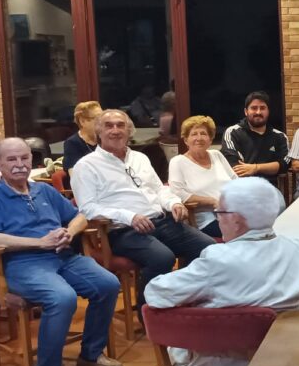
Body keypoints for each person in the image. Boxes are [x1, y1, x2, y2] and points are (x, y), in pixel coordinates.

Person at [0, 137, 123, 366]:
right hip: (21, 263)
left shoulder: (44, 190)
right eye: (12, 159)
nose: (20, 164)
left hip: (63, 256)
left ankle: (90, 354)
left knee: (108, 284)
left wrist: (69, 232)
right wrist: (39, 242)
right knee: (62, 297)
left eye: (24, 158)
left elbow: (81, 215)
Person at [144, 177, 299, 366]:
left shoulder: (217, 260)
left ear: (236, 219)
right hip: (288, 360)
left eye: (219, 213)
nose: (218, 219)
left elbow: (155, 293)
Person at [70, 109, 215, 305]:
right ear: (99, 132)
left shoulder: (140, 158)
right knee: (162, 257)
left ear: (129, 131)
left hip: (161, 221)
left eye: (120, 125)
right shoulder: (86, 166)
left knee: (207, 247)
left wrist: (174, 203)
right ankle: (147, 310)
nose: (115, 130)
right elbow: (88, 208)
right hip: (123, 231)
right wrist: (129, 216)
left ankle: (181, 298)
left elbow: (159, 189)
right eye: (109, 126)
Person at [168, 116, 236, 239]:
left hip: (233, 209)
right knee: (245, 231)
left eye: (203, 134)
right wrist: (212, 201)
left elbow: (235, 180)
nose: (199, 138)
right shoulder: (178, 162)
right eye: (194, 134)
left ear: (210, 139)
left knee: (263, 223)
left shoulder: (217, 155)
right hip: (207, 217)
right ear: (186, 140)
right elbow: (178, 193)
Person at [221, 91, 291, 187]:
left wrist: (255, 168)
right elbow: (234, 166)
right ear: (246, 111)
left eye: (262, 108)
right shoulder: (233, 133)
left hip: (270, 189)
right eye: (254, 108)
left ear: (268, 111)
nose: (258, 112)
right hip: (241, 188)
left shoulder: (280, 137)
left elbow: (285, 165)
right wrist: (272, 167)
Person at [63, 101, 103, 171]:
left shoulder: (105, 139)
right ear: (82, 121)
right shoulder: (72, 143)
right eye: (97, 118)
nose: (102, 121)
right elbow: (74, 174)